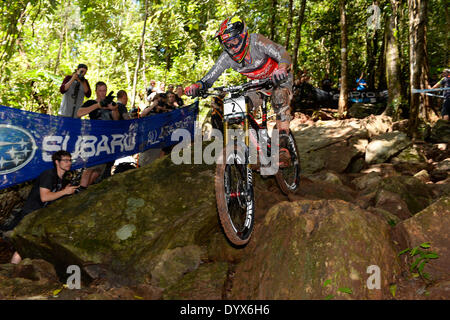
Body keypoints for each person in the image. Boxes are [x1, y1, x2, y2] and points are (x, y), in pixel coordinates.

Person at [185, 16, 293, 167]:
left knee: (279, 97)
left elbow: (282, 52)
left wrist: (282, 67)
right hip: (257, 84)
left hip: (279, 78)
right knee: (241, 105)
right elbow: (210, 76)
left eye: (234, 41)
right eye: (226, 43)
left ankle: (283, 147)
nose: (231, 47)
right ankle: (256, 149)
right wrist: (198, 86)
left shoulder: (257, 41)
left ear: (243, 36)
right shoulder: (227, 57)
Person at [0, 150, 79, 264]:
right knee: (24, 246)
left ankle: (18, 269)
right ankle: (12, 269)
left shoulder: (61, 179)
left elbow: (55, 196)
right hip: (31, 214)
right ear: (57, 162)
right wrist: (64, 192)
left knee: (30, 245)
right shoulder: (49, 175)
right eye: (65, 160)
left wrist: (65, 191)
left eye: (70, 160)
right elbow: (45, 197)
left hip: (41, 215)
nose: (69, 163)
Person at [77, 82, 119, 187]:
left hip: (108, 140)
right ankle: (81, 189)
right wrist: (98, 105)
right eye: (100, 90)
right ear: (96, 91)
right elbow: (79, 113)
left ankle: (86, 188)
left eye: (104, 90)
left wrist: (114, 109)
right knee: (90, 167)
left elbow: (116, 119)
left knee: (101, 169)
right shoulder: (91, 102)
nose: (103, 93)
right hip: (95, 140)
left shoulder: (110, 103)